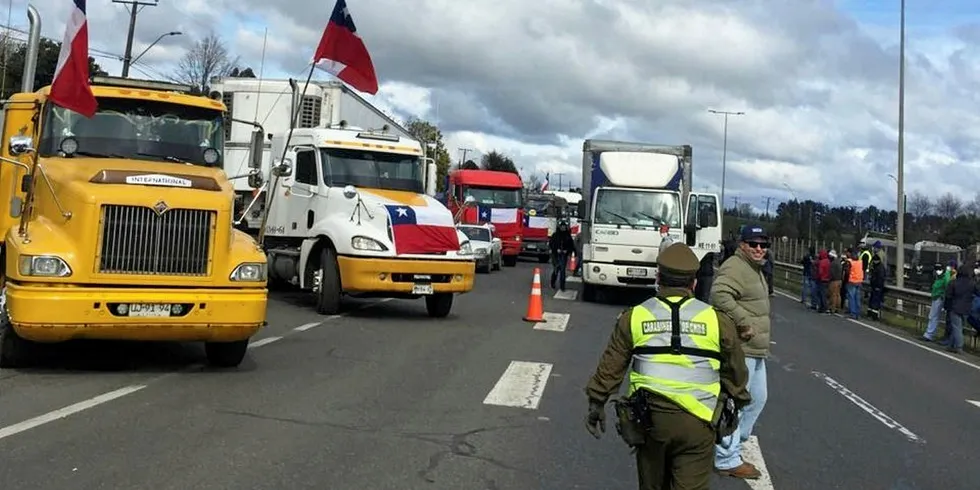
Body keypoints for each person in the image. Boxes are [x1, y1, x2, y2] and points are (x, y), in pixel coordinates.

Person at [584, 242, 750, 490]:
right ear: (693, 283)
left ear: (658, 278)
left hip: (650, 421)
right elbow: (736, 371)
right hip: (699, 421)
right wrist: (738, 401)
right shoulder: (716, 320)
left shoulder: (635, 316)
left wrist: (597, 403)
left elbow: (611, 367)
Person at [709, 225, 771, 480]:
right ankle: (726, 457)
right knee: (737, 402)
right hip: (741, 348)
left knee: (757, 398)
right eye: (753, 243)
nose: (759, 248)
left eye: (763, 244)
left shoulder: (754, 268)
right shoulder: (736, 266)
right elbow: (719, 295)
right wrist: (743, 321)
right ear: (742, 244)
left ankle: (730, 444)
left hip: (756, 349)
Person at [941, 265, 975, 354]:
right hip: (967, 308)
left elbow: (948, 296)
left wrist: (946, 307)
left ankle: (959, 346)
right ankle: (951, 345)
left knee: (956, 327)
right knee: (958, 327)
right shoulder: (972, 283)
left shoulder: (953, 283)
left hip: (955, 307)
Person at [549, 219, 575, 291]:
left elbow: (571, 246)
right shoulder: (555, 235)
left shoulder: (568, 236)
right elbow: (551, 244)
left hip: (564, 255)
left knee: (563, 271)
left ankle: (562, 286)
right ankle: (553, 283)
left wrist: (567, 251)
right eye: (562, 226)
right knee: (556, 269)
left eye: (564, 226)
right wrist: (556, 249)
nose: (563, 228)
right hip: (555, 255)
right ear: (559, 227)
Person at [867, 254, 886, 320]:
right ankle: (870, 314)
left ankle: (874, 316)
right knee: (872, 300)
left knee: (875, 301)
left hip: (877, 287)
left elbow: (880, 278)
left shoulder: (880, 268)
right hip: (874, 286)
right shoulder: (877, 267)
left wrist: (878, 286)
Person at [828, 250, 843, 314]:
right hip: (839, 280)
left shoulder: (833, 263)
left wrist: (830, 279)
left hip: (834, 281)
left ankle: (832, 308)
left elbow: (832, 273)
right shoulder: (839, 262)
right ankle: (838, 308)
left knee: (833, 295)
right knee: (838, 295)